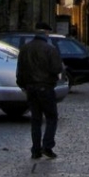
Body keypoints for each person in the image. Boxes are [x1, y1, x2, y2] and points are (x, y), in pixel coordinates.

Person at [16, 21, 63, 160]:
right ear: (46, 34)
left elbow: (20, 70)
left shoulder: (25, 49)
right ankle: (47, 146)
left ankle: (35, 149)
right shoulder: (50, 49)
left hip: (30, 88)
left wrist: (23, 85)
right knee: (51, 117)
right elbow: (56, 68)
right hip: (45, 87)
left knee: (36, 119)